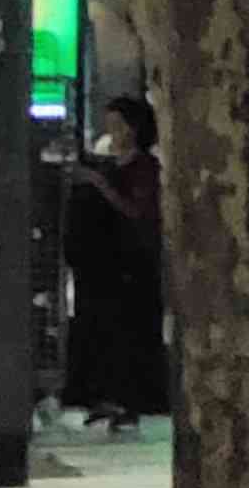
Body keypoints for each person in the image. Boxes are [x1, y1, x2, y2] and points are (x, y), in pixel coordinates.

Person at [63, 94, 170, 432]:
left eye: (118, 126)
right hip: (101, 267)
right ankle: (104, 395)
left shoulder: (145, 168)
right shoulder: (109, 164)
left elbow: (137, 211)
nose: (113, 132)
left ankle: (133, 398)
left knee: (132, 334)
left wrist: (100, 185)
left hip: (133, 266)